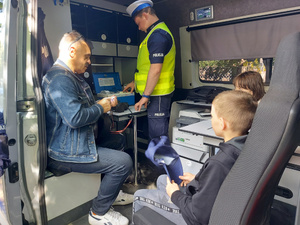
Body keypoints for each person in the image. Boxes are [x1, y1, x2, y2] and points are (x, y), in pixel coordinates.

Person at [42, 31, 133, 225]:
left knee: (119, 140)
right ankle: (98, 213)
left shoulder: (72, 77)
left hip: (80, 140)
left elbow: (81, 107)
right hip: (65, 152)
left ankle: (110, 193)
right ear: (72, 51)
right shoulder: (60, 79)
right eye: (87, 56)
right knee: (124, 162)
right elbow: (75, 118)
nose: (89, 62)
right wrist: (101, 107)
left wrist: (101, 103)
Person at [132, 90, 258, 225]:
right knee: (164, 179)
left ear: (222, 123)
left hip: (195, 216)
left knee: (139, 196)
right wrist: (197, 179)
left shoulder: (219, 163)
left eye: (212, 116)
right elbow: (223, 184)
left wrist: (175, 195)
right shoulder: (246, 148)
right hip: (218, 202)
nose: (211, 120)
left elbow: (197, 215)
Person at [124, 0, 176, 140]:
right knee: (154, 136)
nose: (140, 28)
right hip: (155, 94)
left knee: (158, 138)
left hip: (158, 94)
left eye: (138, 23)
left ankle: (161, 162)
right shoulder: (154, 34)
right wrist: (135, 83)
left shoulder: (158, 36)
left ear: (145, 15)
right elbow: (147, 67)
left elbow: (156, 69)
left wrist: (145, 96)